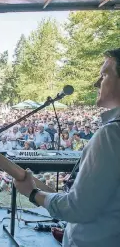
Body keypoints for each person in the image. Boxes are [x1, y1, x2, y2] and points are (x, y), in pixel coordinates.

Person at [14, 48, 120, 247]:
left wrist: (33, 192)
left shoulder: (112, 135)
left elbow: (79, 208)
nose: (97, 83)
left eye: (104, 75)